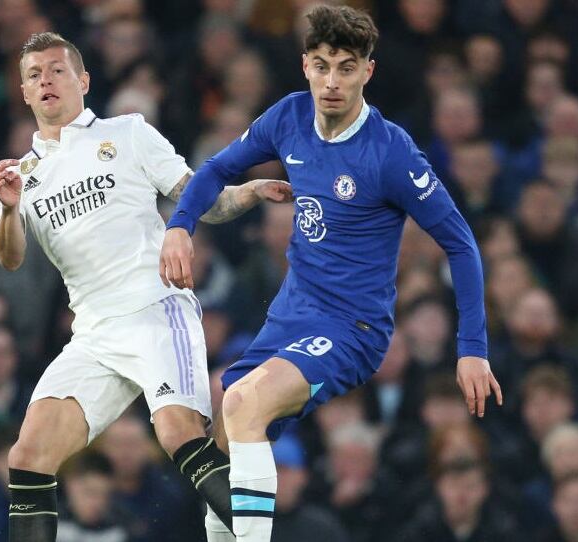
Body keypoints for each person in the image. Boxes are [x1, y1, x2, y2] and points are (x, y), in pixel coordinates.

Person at [160, 6, 499, 541]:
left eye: (346, 67)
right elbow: (218, 169)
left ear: (368, 70)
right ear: (304, 66)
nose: (332, 81)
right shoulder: (289, 118)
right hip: (292, 311)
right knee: (225, 422)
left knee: (246, 401)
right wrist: (180, 226)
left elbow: (460, 243)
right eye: (321, 66)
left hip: (351, 328)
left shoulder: (391, 153)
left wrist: (473, 347)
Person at [0, 32, 293, 542]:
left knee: (178, 434)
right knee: (28, 455)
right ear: (23, 92)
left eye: (57, 70)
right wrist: (11, 209)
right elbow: (10, 257)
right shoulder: (18, 177)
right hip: (93, 335)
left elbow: (197, 197)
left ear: (82, 81)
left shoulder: (128, 133)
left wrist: (248, 191)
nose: (46, 80)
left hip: (155, 307)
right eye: (35, 74)